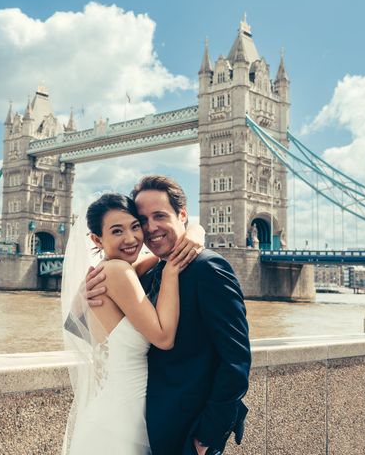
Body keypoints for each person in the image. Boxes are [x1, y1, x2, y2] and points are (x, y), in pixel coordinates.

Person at [85, 175, 251, 455]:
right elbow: (80, 328)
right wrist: (85, 297)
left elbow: (236, 361)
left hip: (189, 434)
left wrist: (206, 437)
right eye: (143, 220)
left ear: (182, 214)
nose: (149, 229)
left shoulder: (208, 269)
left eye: (159, 216)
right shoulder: (146, 270)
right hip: (144, 427)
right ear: (97, 239)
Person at [61, 193, 204, 455]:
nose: (131, 238)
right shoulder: (118, 272)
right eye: (117, 231)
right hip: (124, 421)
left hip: (109, 413)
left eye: (135, 226)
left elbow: (74, 328)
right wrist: (172, 271)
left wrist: (195, 229)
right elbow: (163, 338)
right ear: (96, 239)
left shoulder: (112, 269)